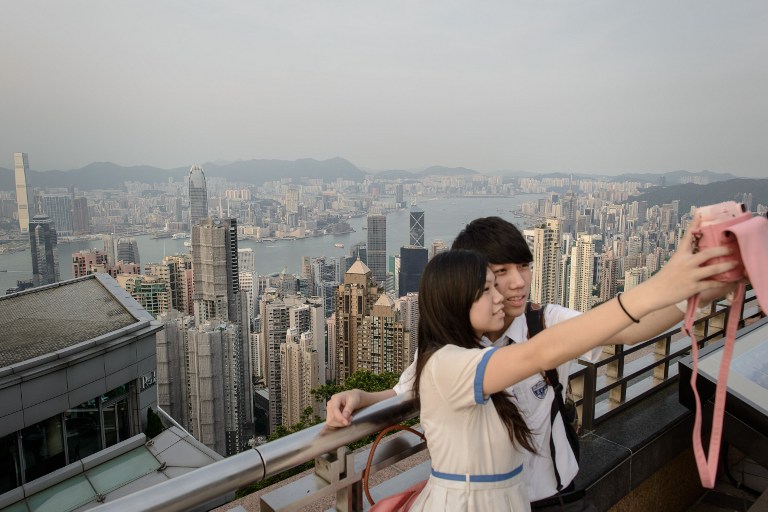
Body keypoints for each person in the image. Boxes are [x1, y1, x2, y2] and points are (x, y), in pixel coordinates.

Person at [327, 217, 735, 511]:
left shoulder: (542, 321)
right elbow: (413, 391)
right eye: (499, 274)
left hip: (558, 494)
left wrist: (695, 295)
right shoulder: (451, 355)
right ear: (469, 281)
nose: (519, 281)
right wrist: (362, 397)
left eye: (523, 265)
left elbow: (626, 330)